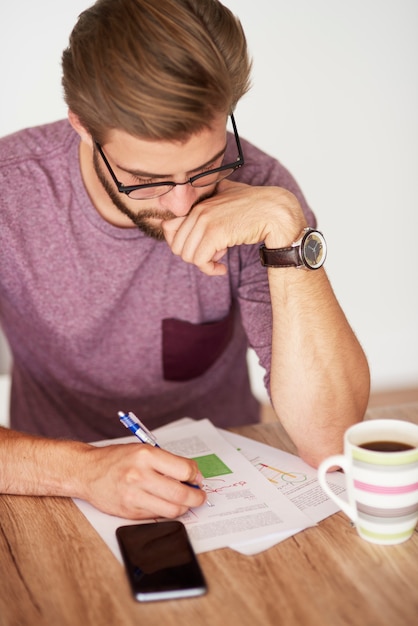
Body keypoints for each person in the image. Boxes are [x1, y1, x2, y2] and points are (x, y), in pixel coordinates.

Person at [0, 0, 369, 520]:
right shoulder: (9, 191)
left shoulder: (261, 192)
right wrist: (83, 470)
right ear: (82, 126)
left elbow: (332, 442)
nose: (183, 204)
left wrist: (288, 229)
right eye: (146, 180)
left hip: (223, 488)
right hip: (51, 491)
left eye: (206, 167)